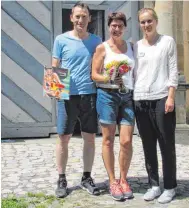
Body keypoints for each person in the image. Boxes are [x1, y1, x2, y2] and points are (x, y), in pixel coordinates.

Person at [52, 3, 101, 198]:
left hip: (89, 95)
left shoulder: (97, 41)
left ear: (90, 19)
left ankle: (86, 177)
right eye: (78, 16)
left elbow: (101, 66)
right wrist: (51, 86)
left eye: (84, 16)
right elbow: (55, 65)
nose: (81, 20)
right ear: (72, 18)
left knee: (89, 137)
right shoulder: (61, 40)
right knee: (63, 138)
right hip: (67, 95)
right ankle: (61, 178)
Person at [133, 8, 178, 204]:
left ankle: (170, 187)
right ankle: (154, 185)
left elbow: (173, 70)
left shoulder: (167, 42)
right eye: (142, 22)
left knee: (166, 145)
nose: (146, 25)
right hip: (140, 100)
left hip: (162, 98)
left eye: (149, 21)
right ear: (139, 24)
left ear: (156, 21)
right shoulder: (136, 47)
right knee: (148, 145)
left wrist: (170, 97)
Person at [91, 12, 135, 201]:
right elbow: (94, 75)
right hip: (107, 95)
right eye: (113, 26)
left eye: (120, 26)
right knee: (108, 140)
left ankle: (123, 179)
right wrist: (110, 77)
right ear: (109, 27)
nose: (116, 29)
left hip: (127, 96)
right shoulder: (102, 48)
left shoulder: (131, 47)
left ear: (125, 28)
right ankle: (112, 181)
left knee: (126, 141)